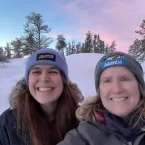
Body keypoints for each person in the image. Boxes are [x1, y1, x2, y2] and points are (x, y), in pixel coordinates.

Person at [58, 51, 145, 145]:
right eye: (107, 81)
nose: (117, 89)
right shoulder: (84, 135)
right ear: (100, 91)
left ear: (139, 86)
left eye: (125, 79)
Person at [0, 48, 83, 145]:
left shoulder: (82, 120)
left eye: (52, 71)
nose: (44, 79)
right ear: (28, 81)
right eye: (36, 72)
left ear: (63, 80)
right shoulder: (8, 121)